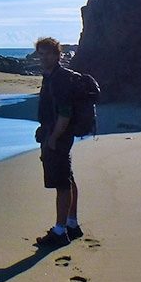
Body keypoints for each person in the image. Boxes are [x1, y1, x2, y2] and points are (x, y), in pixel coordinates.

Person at [33, 37, 81, 250]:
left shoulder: (60, 79)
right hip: (54, 134)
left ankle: (60, 231)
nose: (42, 58)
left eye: (46, 54)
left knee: (61, 183)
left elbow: (65, 112)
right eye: (40, 54)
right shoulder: (50, 77)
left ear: (57, 54)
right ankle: (72, 224)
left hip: (58, 137)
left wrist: (52, 138)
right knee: (67, 178)